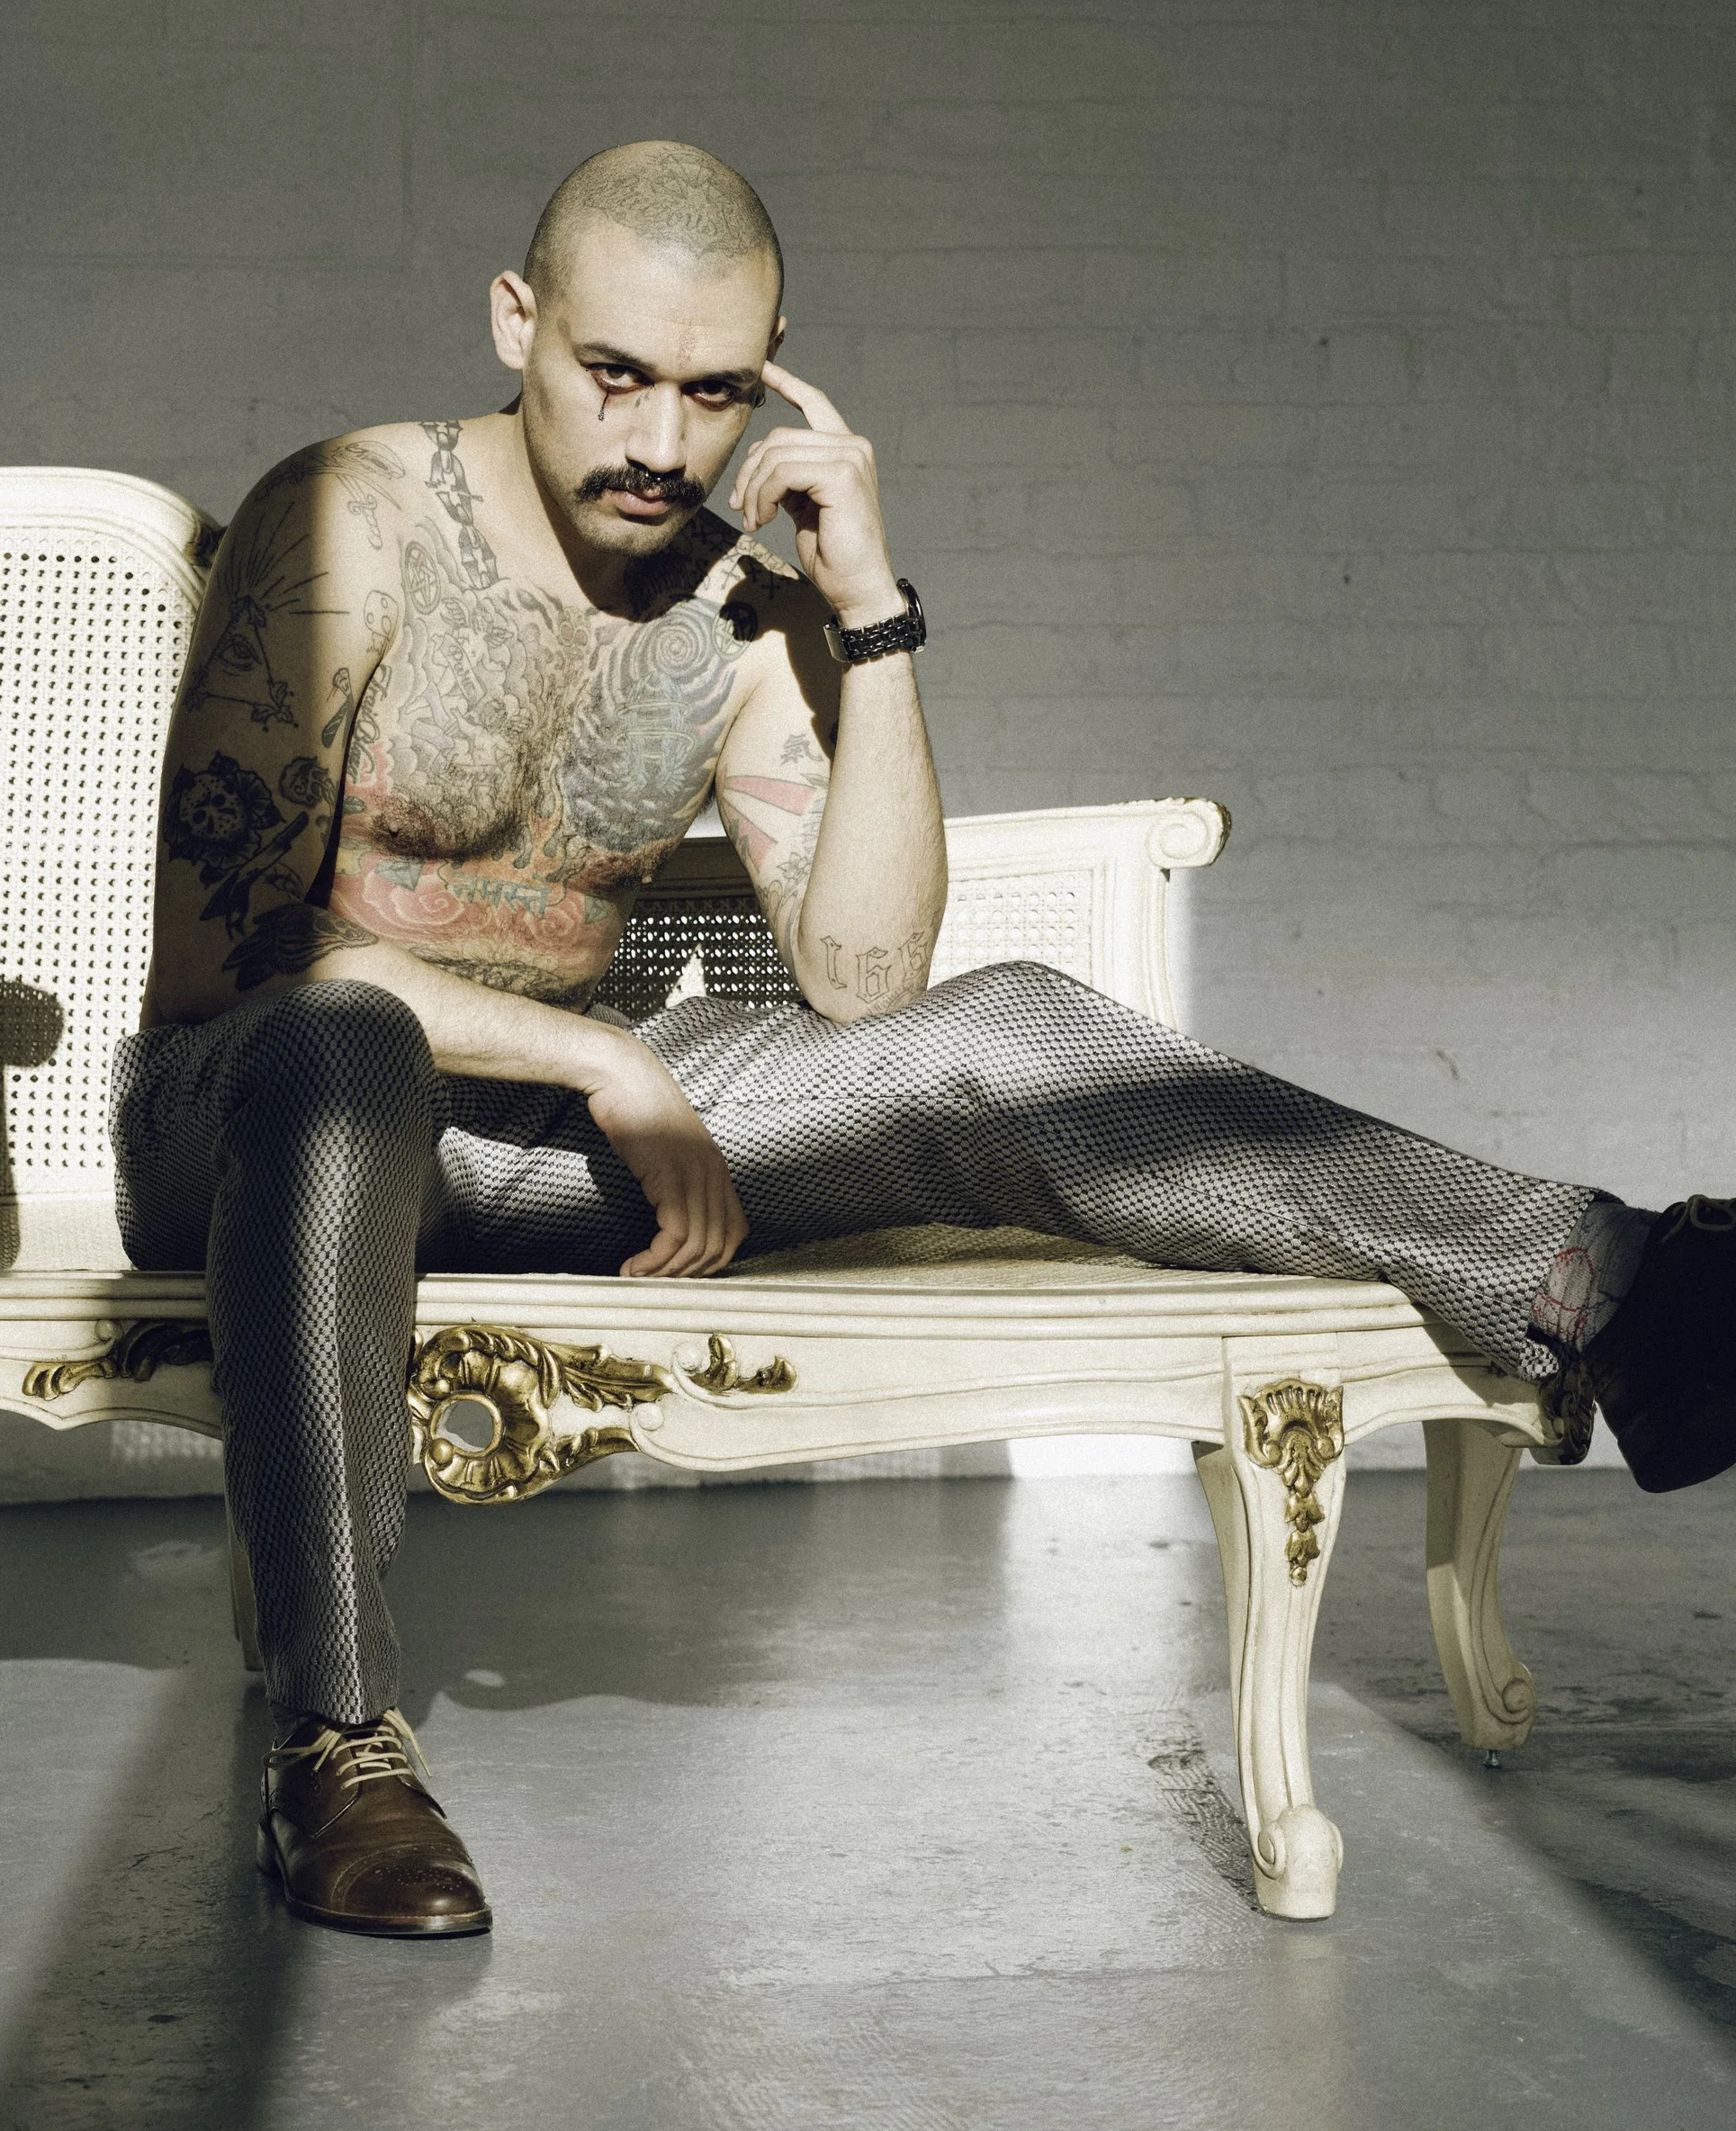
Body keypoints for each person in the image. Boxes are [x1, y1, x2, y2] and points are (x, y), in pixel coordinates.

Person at [114, 140, 1736, 1941]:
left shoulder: (734, 605)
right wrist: (607, 1060)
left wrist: (864, 611)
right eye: (614, 376)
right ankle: (337, 1744)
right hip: (257, 1117)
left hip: (521, 1148)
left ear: (775, 373)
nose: (659, 443)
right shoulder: (345, 513)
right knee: (342, 1059)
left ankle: (1619, 1287)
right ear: (515, 322)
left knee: (1008, 1032)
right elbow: (231, 961)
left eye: (712, 392)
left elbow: (872, 982)